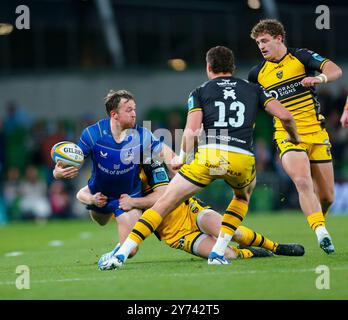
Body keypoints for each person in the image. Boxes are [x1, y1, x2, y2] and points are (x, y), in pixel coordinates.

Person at [106, 45, 300, 269]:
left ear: (209, 67)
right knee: (241, 198)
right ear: (233, 67)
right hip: (242, 157)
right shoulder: (253, 89)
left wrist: (181, 156)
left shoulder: (200, 91)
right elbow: (286, 116)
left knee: (164, 203)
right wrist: (294, 138)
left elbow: (191, 131)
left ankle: (120, 255)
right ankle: (222, 251)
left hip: (210, 156)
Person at [89, 162, 304, 270]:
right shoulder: (112, 177)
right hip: (176, 235)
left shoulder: (149, 164)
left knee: (232, 232)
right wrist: (91, 200)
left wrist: (133, 202)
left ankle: (276, 247)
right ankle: (249, 254)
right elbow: (85, 191)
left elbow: (164, 196)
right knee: (227, 254)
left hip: (190, 212)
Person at [248, 19, 343, 254]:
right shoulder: (256, 74)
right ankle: (321, 232)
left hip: (317, 133)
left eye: (265, 40)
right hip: (287, 135)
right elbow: (252, 106)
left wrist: (318, 78)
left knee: (328, 197)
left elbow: (335, 70)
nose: (261, 46)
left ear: (279, 38)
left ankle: (318, 219)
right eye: (258, 42)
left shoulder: (301, 57)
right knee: (302, 181)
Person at [53, 89, 175, 253]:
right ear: (114, 114)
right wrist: (58, 173)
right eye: (129, 110)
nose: (134, 114)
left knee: (130, 251)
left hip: (128, 197)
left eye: (134, 109)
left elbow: (165, 152)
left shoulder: (142, 135)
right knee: (101, 221)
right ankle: (88, 195)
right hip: (100, 196)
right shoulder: (92, 134)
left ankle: (115, 252)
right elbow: (71, 163)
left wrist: (177, 163)